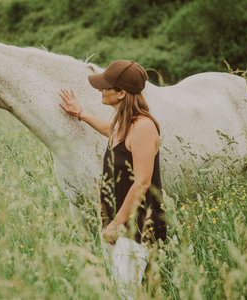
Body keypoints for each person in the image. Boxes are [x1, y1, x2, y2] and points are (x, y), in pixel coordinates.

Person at [58, 60, 166, 297]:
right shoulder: (124, 124)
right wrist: (81, 113)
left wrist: (116, 225)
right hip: (118, 227)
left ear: (122, 93)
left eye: (106, 87)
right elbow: (111, 130)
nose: (101, 90)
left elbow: (142, 182)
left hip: (136, 229)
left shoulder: (143, 127)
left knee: (126, 294)